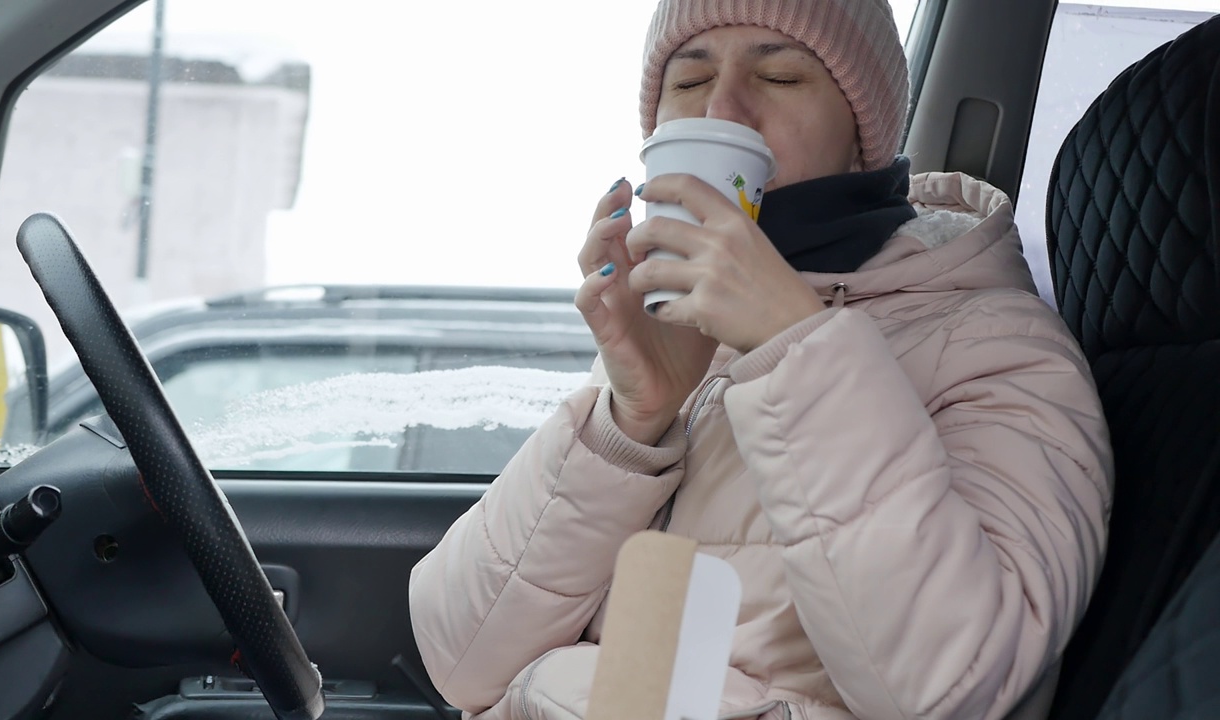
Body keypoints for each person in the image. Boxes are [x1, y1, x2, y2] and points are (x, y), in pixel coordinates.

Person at [408, 0, 1114, 718]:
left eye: (780, 76)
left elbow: (955, 690)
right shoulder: (678, 343)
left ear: (861, 136)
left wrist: (793, 351)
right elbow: (462, 663)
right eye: (688, 83)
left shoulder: (999, 349)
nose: (725, 109)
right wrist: (631, 418)